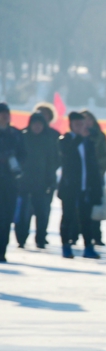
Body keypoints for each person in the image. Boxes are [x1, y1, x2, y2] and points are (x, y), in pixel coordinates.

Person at [57, 112, 103, 260]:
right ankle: (66, 245)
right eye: (77, 125)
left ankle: (88, 247)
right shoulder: (66, 140)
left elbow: (94, 166)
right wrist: (78, 138)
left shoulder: (88, 143)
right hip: (70, 187)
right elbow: (67, 153)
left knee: (86, 219)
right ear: (71, 125)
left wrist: (97, 187)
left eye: (82, 124)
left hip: (85, 187)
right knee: (68, 217)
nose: (81, 128)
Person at [15, 113, 60, 250]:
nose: (37, 127)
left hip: (42, 182)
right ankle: (21, 238)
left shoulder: (48, 140)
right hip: (23, 182)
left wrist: (51, 181)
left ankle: (40, 238)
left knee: (42, 213)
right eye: (35, 124)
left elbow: (53, 161)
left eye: (40, 124)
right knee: (23, 213)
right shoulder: (22, 137)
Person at [0, 102, 26, 262]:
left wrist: (12, 160)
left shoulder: (15, 134)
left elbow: (24, 155)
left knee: (6, 217)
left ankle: (2, 250)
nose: (4, 117)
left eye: (6, 114)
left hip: (10, 182)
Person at [81, 110, 106, 246]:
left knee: (96, 206)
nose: (87, 122)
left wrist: (98, 171)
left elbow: (105, 156)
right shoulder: (77, 136)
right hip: (80, 176)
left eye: (89, 119)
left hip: (97, 176)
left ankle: (97, 236)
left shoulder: (100, 136)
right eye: (84, 120)